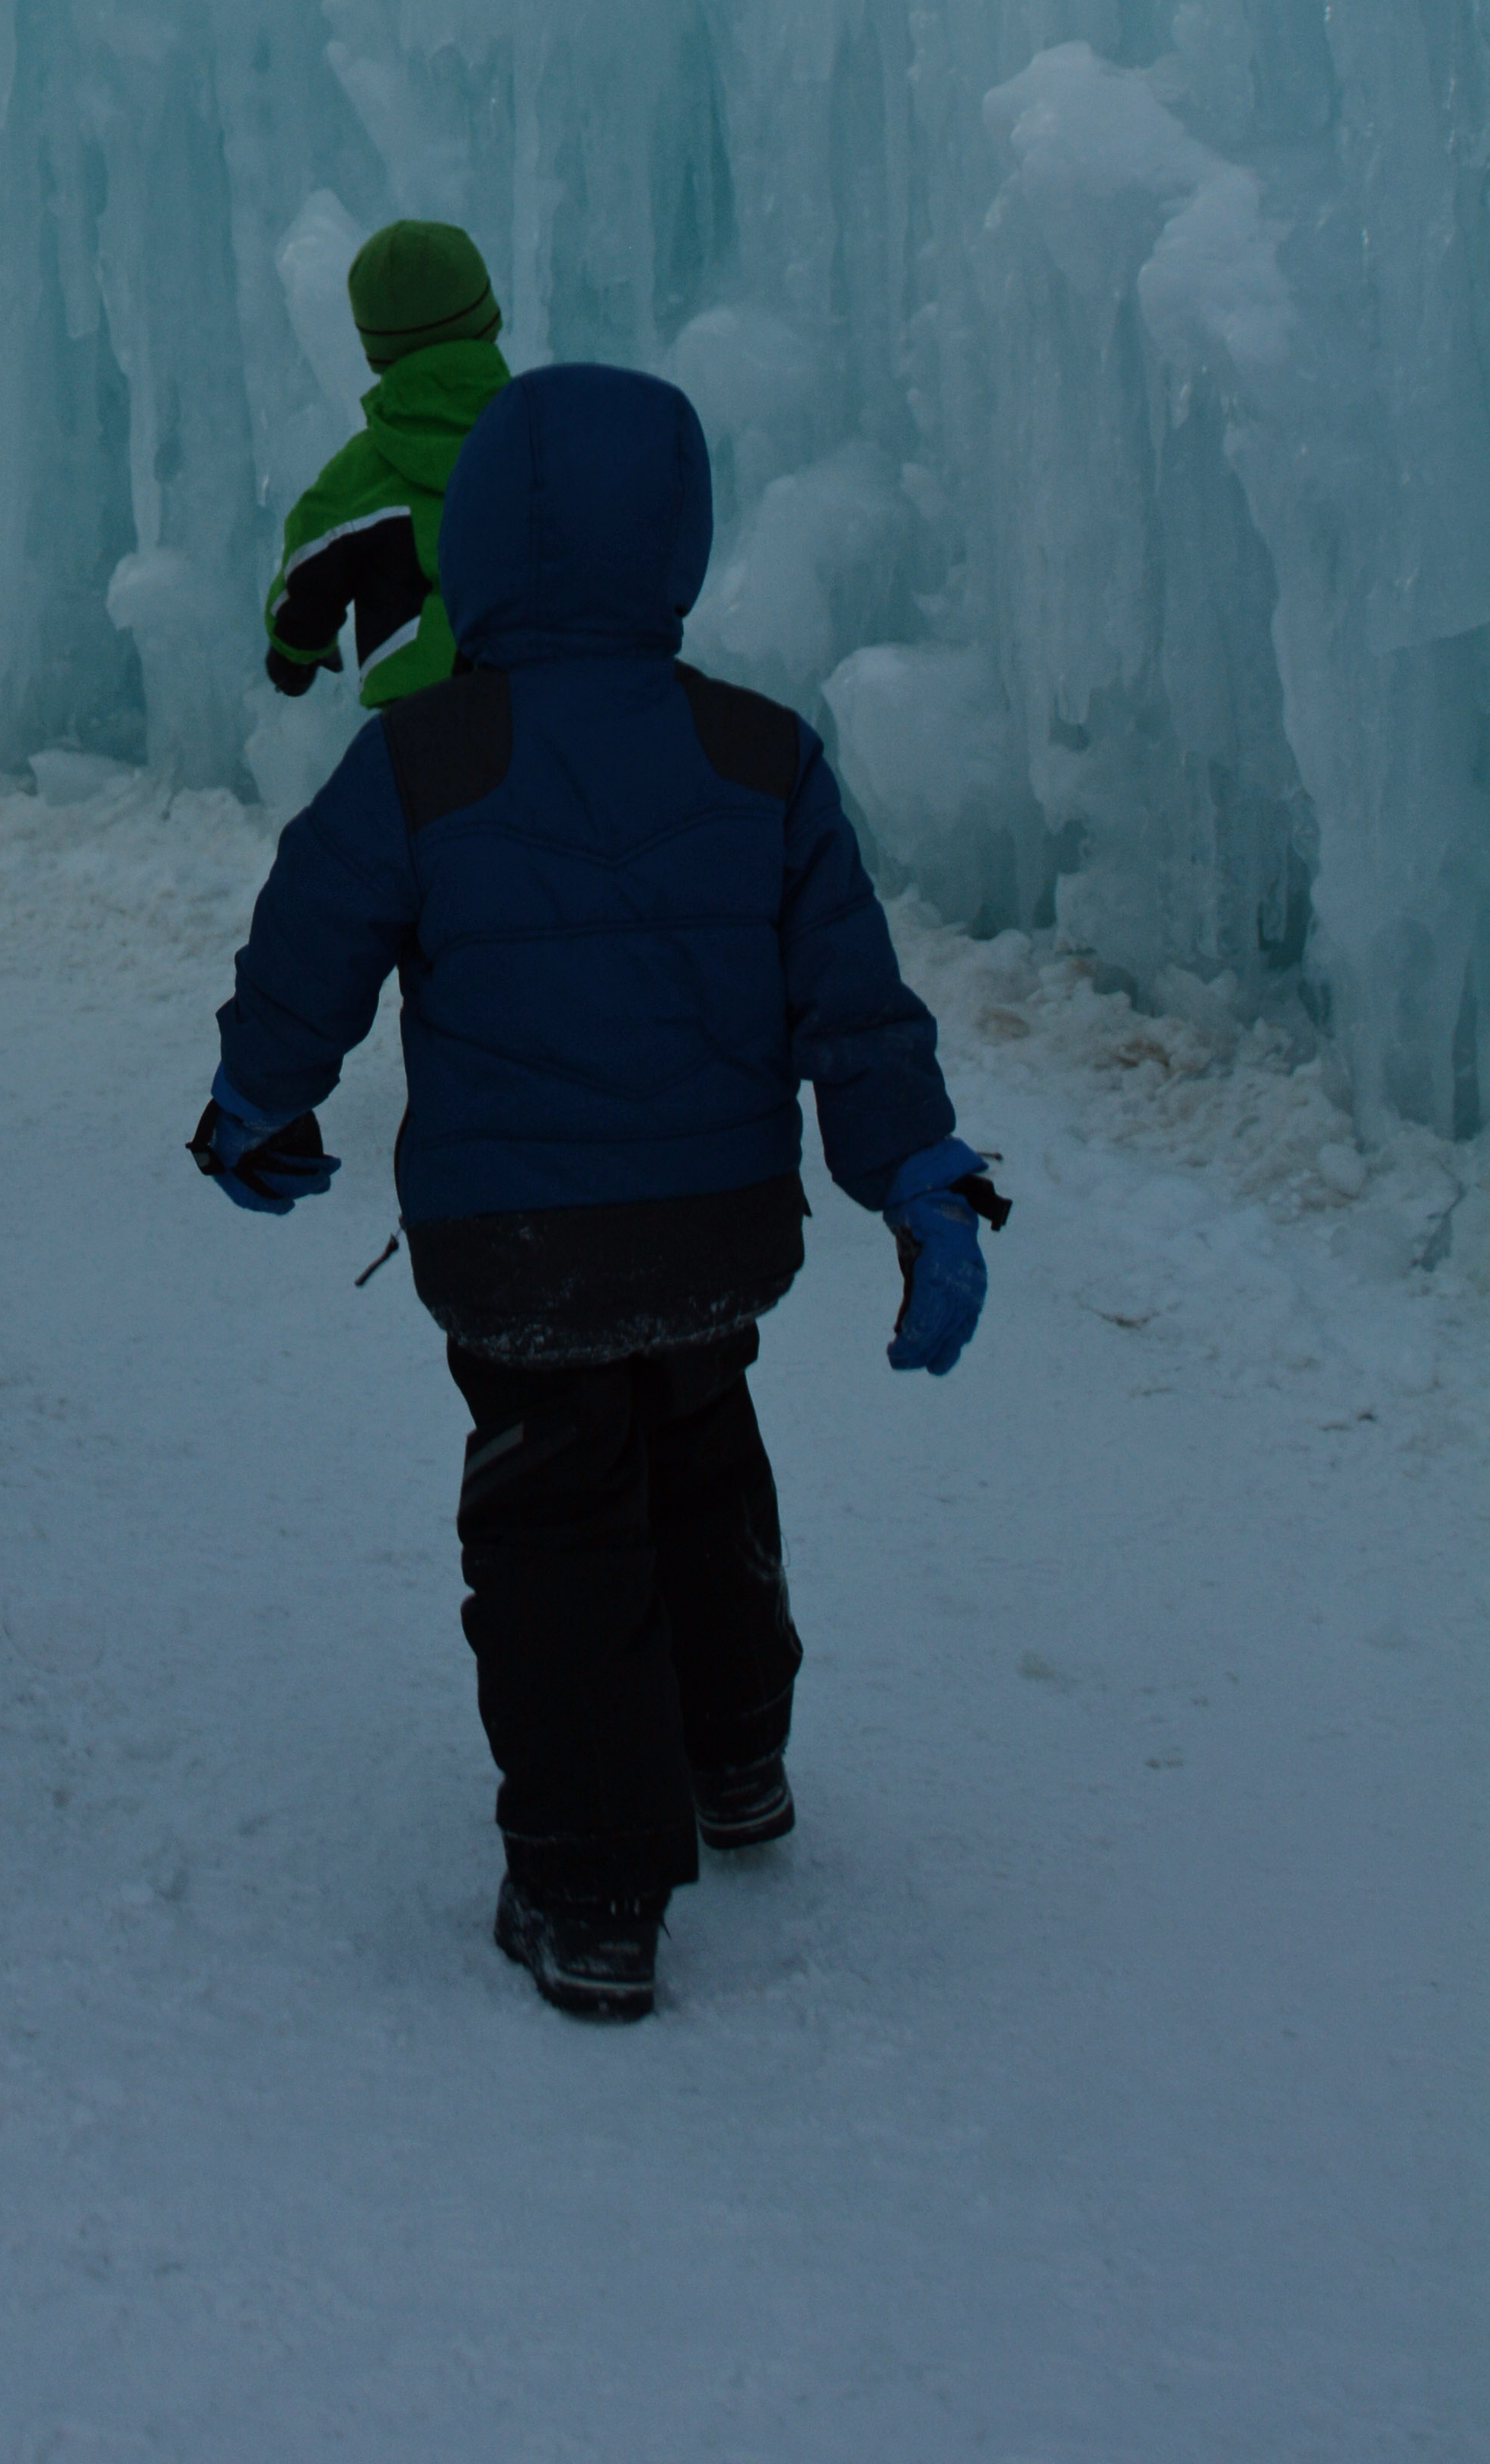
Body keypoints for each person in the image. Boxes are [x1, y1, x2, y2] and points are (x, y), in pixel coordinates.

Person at [190, 362, 1007, 2025]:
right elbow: (850, 1005)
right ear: (675, 551)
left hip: (515, 1247)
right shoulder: (759, 756)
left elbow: (307, 950)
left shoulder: (421, 757)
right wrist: (916, 1176)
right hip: (715, 1227)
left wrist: (250, 1108)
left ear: (475, 547)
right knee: (701, 1461)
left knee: (554, 1522)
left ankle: (589, 1885)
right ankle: (735, 1758)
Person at [263, 218, 510, 710]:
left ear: (375, 344)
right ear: (486, 312)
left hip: (425, 720)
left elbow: (309, 563)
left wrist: (294, 650)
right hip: (542, 700)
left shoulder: (368, 470)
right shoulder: (533, 431)